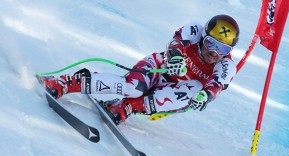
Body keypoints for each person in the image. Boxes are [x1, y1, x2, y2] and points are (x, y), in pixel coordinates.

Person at [41, 14, 240, 125]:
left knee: (196, 88)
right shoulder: (196, 29)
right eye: (211, 43)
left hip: (175, 91)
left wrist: (205, 96)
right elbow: (177, 41)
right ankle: (66, 83)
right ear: (204, 36)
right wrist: (176, 55)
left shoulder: (226, 65)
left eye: (222, 49)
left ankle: (127, 107)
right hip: (159, 69)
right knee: (132, 88)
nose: (214, 52)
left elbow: (215, 85)